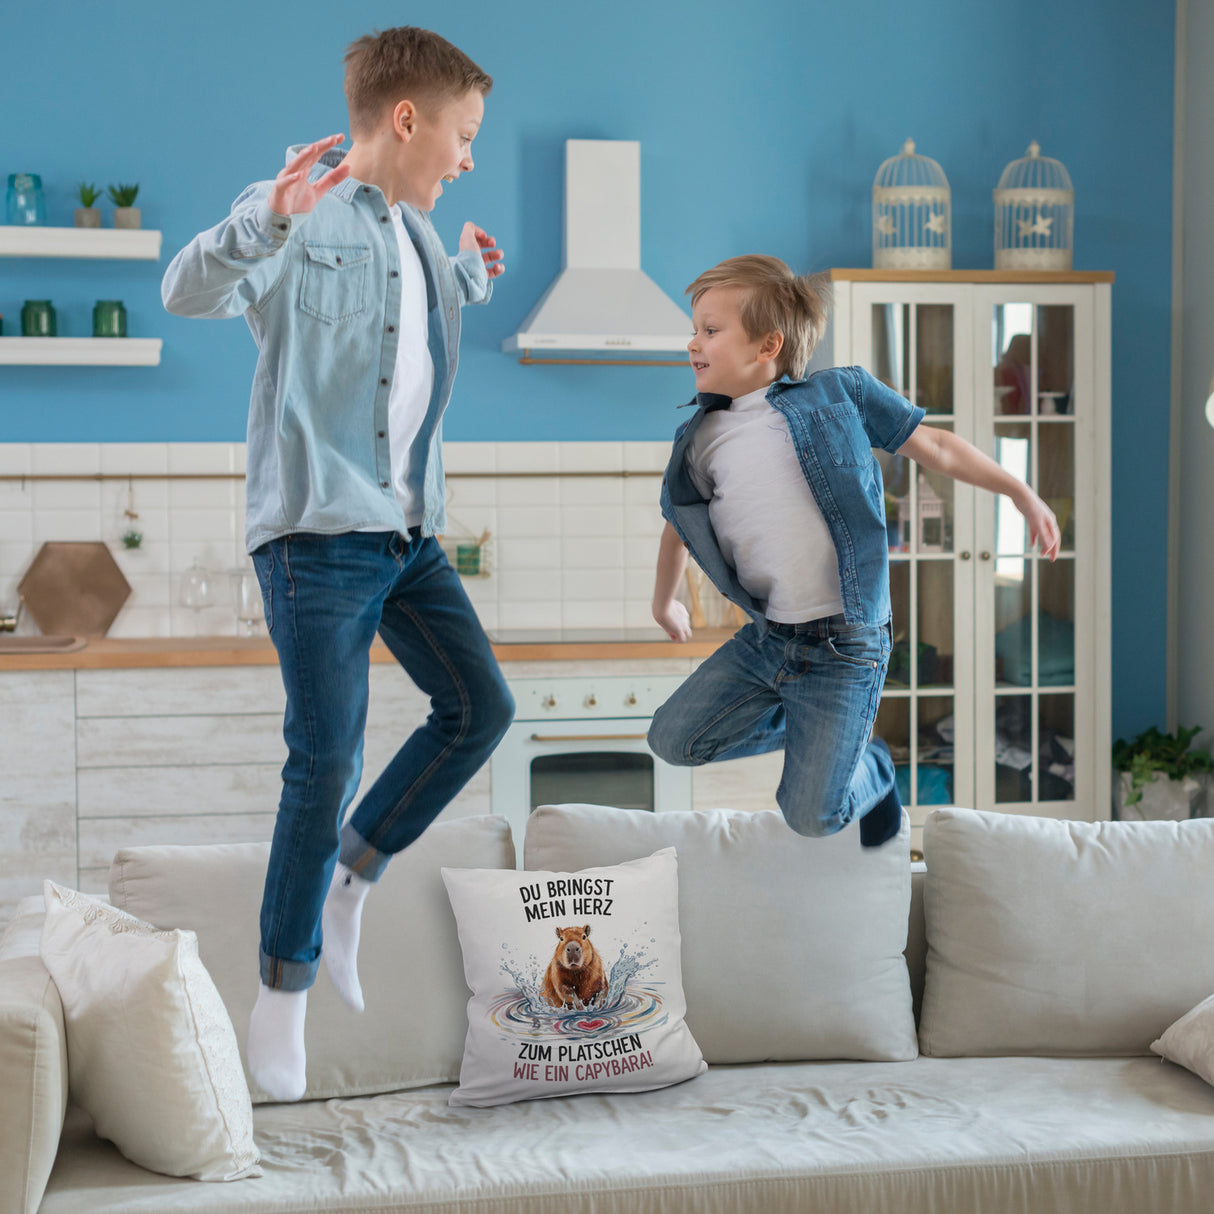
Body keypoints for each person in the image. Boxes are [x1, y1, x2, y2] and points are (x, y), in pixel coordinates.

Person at [161, 26, 514, 1101]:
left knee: (478, 708)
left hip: (406, 532)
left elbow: (402, 348)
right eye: (461, 135)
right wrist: (263, 218)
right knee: (326, 754)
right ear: (405, 118)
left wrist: (469, 277)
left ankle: (354, 874)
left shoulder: (416, 238)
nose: (465, 158)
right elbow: (186, 290)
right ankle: (281, 989)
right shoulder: (297, 217)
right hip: (315, 531)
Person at [649, 255, 1060, 848]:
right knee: (673, 740)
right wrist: (665, 601)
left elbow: (937, 446)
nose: (693, 342)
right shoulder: (701, 440)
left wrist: (1019, 491)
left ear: (769, 344)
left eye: (710, 330)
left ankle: (872, 767)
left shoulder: (840, 393)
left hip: (846, 645)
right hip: (770, 640)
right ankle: (823, 734)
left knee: (810, 816)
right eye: (694, 329)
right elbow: (678, 524)